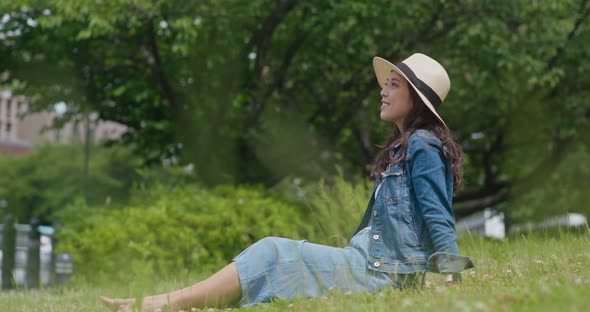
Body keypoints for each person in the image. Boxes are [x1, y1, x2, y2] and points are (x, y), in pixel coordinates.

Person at [101, 53, 474, 312]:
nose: (383, 90)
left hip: (382, 274)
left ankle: (162, 303)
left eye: (394, 85)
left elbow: (437, 212)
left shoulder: (423, 145)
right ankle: (161, 301)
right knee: (272, 254)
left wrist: (453, 277)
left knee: (272, 252)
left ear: (416, 98)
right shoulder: (403, 146)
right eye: (386, 84)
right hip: (367, 264)